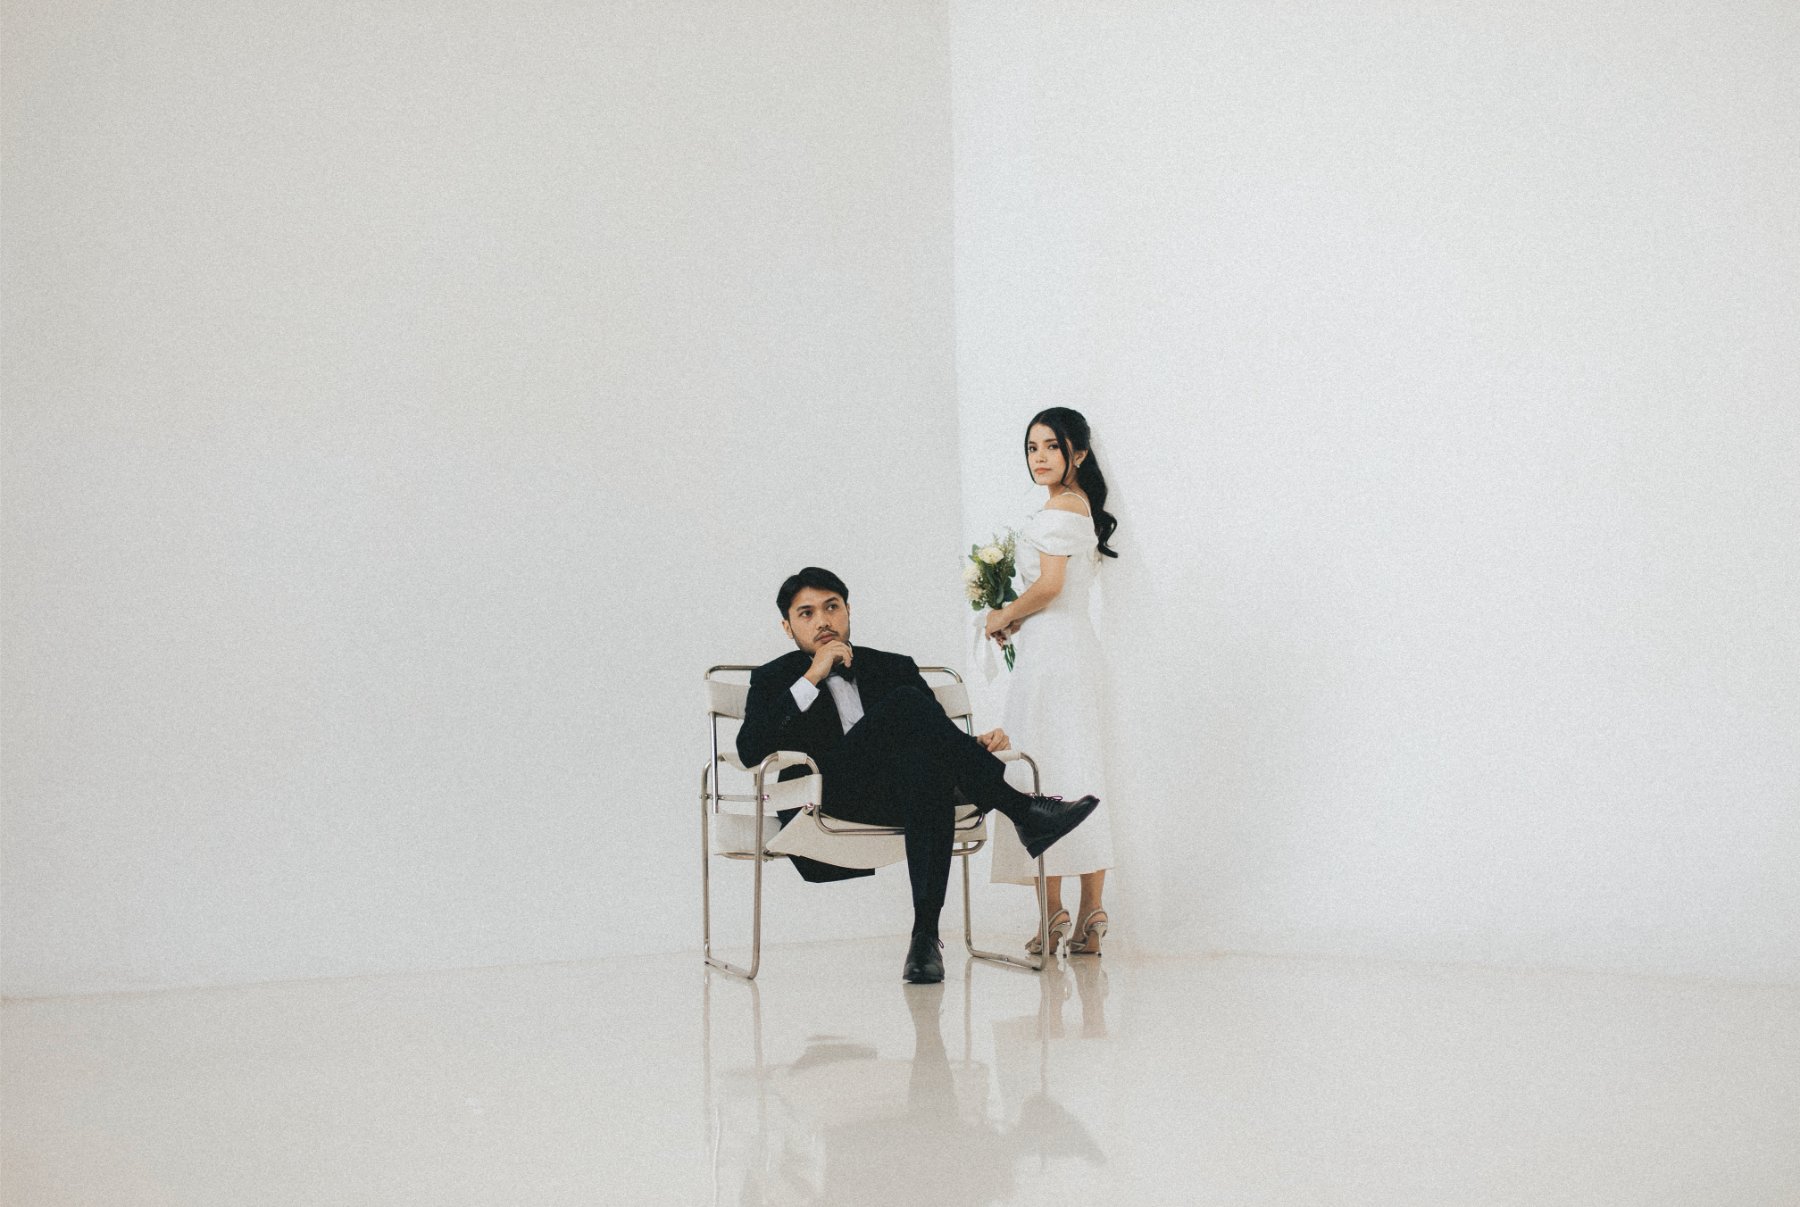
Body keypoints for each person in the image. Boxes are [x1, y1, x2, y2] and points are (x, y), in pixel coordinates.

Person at [738, 567, 1101, 984]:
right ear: (787, 627)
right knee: (906, 703)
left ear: (848, 611)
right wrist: (813, 676)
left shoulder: (892, 666)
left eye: (831, 607)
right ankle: (1023, 811)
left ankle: (925, 939)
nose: (823, 621)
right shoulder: (773, 679)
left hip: (898, 793)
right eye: (806, 613)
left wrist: (975, 745)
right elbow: (750, 751)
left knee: (927, 772)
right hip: (826, 796)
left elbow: (934, 739)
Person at [983, 408, 1120, 957]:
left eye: (1052, 447)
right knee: (1079, 768)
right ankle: (1090, 913)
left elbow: (1050, 585)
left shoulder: (1059, 509)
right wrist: (1021, 618)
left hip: (1052, 659)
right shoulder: (1079, 505)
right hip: (1073, 648)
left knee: (1046, 772)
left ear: (1077, 454)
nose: (1039, 457)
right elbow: (1058, 591)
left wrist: (1002, 615)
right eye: (1032, 448)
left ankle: (1053, 912)